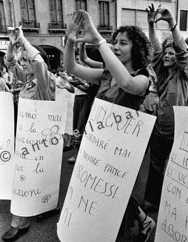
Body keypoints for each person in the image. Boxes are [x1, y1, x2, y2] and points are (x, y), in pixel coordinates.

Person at [64, 10, 155, 242]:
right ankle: (143, 220)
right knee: (105, 191)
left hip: (125, 148)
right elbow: (72, 69)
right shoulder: (105, 74)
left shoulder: (144, 75)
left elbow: (128, 83)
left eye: (123, 43)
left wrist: (99, 40)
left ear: (136, 48)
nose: (116, 46)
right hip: (101, 144)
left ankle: (128, 230)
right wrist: (71, 41)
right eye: (114, 42)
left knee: (116, 194)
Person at [2, 26, 56, 241]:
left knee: (27, 179)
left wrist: (24, 41)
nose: (23, 61)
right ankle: (42, 206)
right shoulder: (29, 80)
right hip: (26, 138)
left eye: (27, 58)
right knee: (33, 177)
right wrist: (11, 43)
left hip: (38, 141)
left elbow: (39, 62)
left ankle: (20, 222)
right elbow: (10, 63)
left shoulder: (46, 80)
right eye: (23, 59)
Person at [143, 4, 188, 213]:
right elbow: (155, 46)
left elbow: (182, 49)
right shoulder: (159, 74)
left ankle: (178, 207)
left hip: (181, 132)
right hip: (160, 129)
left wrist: (171, 23)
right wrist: (151, 24)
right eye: (166, 53)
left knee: (179, 171)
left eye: (172, 53)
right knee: (156, 166)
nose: (168, 55)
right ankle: (152, 200)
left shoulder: (184, 74)